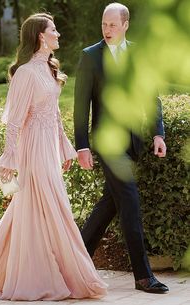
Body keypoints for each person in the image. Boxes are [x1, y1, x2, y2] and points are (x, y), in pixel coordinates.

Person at [0, 13, 107, 301]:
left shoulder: (48, 68)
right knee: (43, 204)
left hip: (48, 146)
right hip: (33, 148)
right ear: (40, 36)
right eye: (53, 30)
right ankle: (38, 275)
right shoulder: (25, 73)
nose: (58, 34)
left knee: (34, 206)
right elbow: (14, 121)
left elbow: (55, 115)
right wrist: (10, 156)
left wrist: (65, 147)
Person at [74, 2, 169, 294]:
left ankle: (73, 260)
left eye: (113, 25)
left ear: (125, 25)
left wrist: (157, 134)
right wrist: (82, 147)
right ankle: (143, 277)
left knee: (109, 205)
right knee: (129, 202)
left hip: (133, 142)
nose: (107, 30)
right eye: (104, 24)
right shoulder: (90, 56)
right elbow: (80, 106)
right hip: (106, 144)